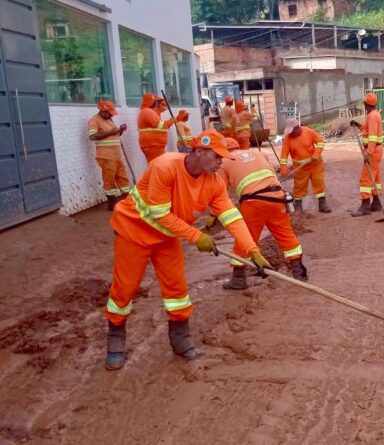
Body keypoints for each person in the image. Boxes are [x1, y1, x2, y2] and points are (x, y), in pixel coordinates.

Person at [103, 129, 272, 371]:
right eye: (217, 157)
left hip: (168, 237)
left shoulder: (214, 183)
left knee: (177, 289)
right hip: (134, 233)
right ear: (199, 151)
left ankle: (180, 339)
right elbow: (158, 213)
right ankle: (115, 340)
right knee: (125, 288)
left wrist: (252, 250)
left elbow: (231, 216)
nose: (220, 163)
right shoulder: (165, 166)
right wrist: (196, 236)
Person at [217, 137, 308, 288]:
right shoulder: (259, 153)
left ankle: (238, 278)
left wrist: (215, 216)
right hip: (277, 198)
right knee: (285, 234)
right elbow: (273, 176)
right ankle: (299, 272)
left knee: (245, 239)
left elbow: (220, 191)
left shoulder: (224, 162)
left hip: (253, 203)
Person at [279, 118, 331, 213]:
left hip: (315, 165)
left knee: (319, 183)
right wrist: (283, 169)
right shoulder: (287, 139)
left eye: (292, 131)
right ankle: (298, 207)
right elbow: (283, 156)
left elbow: (320, 142)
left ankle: (322, 204)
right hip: (300, 168)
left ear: (297, 127)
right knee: (299, 187)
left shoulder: (309, 131)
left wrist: (316, 154)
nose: (290, 134)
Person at [88, 100, 130, 209]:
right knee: (109, 179)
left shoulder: (109, 119)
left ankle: (129, 201)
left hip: (116, 155)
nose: (112, 115)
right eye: (109, 113)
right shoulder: (94, 120)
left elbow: (112, 134)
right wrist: (111, 132)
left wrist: (120, 130)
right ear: (103, 110)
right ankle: (113, 204)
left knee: (122, 177)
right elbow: (92, 136)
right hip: (106, 155)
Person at [350, 93, 384, 217]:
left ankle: (365, 206)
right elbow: (367, 130)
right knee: (375, 177)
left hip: (373, 150)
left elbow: (372, 136)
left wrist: (368, 152)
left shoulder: (372, 116)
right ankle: (376, 203)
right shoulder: (374, 115)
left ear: (366, 104)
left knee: (365, 178)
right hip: (377, 149)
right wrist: (358, 125)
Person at [137, 93, 176, 163]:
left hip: (155, 145)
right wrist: (170, 121)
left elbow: (162, 109)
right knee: (157, 166)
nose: (157, 104)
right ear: (152, 102)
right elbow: (160, 126)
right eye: (156, 102)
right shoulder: (148, 112)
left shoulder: (151, 112)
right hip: (152, 145)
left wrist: (162, 104)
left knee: (158, 166)